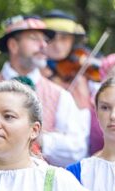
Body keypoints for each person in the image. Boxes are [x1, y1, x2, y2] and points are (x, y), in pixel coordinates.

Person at [0, 15, 88, 167]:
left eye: (45, 40)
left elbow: (77, 149)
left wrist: (41, 139)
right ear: (13, 45)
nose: (43, 46)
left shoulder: (60, 95)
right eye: (34, 39)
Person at [41, 10, 102, 155]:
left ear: (73, 41)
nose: (58, 45)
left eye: (64, 38)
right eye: (51, 39)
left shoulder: (85, 74)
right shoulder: (34, 72)